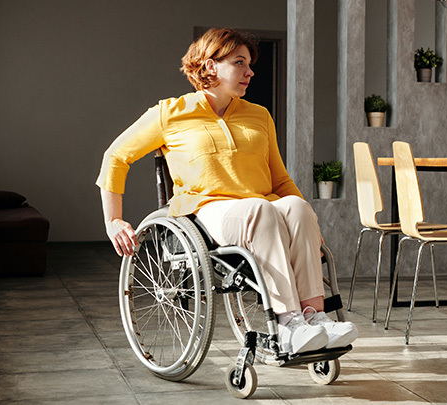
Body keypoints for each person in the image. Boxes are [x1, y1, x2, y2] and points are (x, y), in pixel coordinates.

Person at [96, 28, 357, 354]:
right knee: (260, 210)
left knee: (297, 207)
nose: (250, 71)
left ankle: (314, 318)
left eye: (249, 63)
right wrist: (113, 220)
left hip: (262, 208)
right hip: (208, 212)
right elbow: (116, 156)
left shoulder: (259, 116)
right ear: (209, 66)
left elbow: (280, 180)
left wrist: (309, 222)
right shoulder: (170, 113)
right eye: (239, 62)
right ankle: (289, 323)